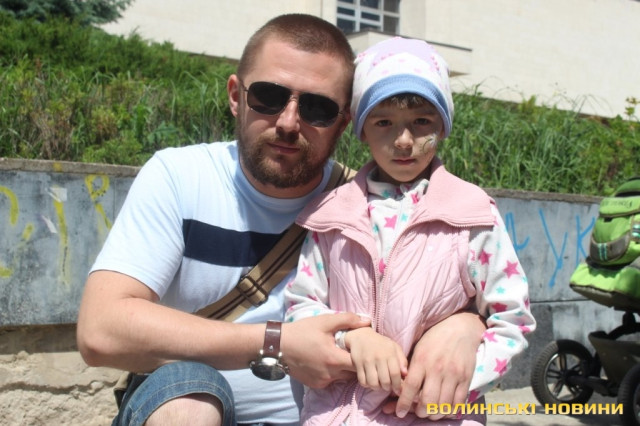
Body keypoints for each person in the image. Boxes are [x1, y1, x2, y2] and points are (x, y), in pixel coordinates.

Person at [76, 14, 487, 426]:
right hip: (193, 409)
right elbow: (101, 330)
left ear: (344, 123)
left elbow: (470, 286)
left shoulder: (369, 207)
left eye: (317, 108)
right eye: (269, 97)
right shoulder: (181, 177)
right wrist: (278, 342)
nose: (289, 122)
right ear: (236, 96)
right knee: (189, 399)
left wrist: (465, 325)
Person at [284, 36, 536, 425]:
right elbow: (301, 308)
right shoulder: (330, 217)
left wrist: (448, 389)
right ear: (361, 130)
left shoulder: (472, 215)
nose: (403, 140)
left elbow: (511, 318)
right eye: (383, 122)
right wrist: (352, 337)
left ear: (444, 126)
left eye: (421, 121)